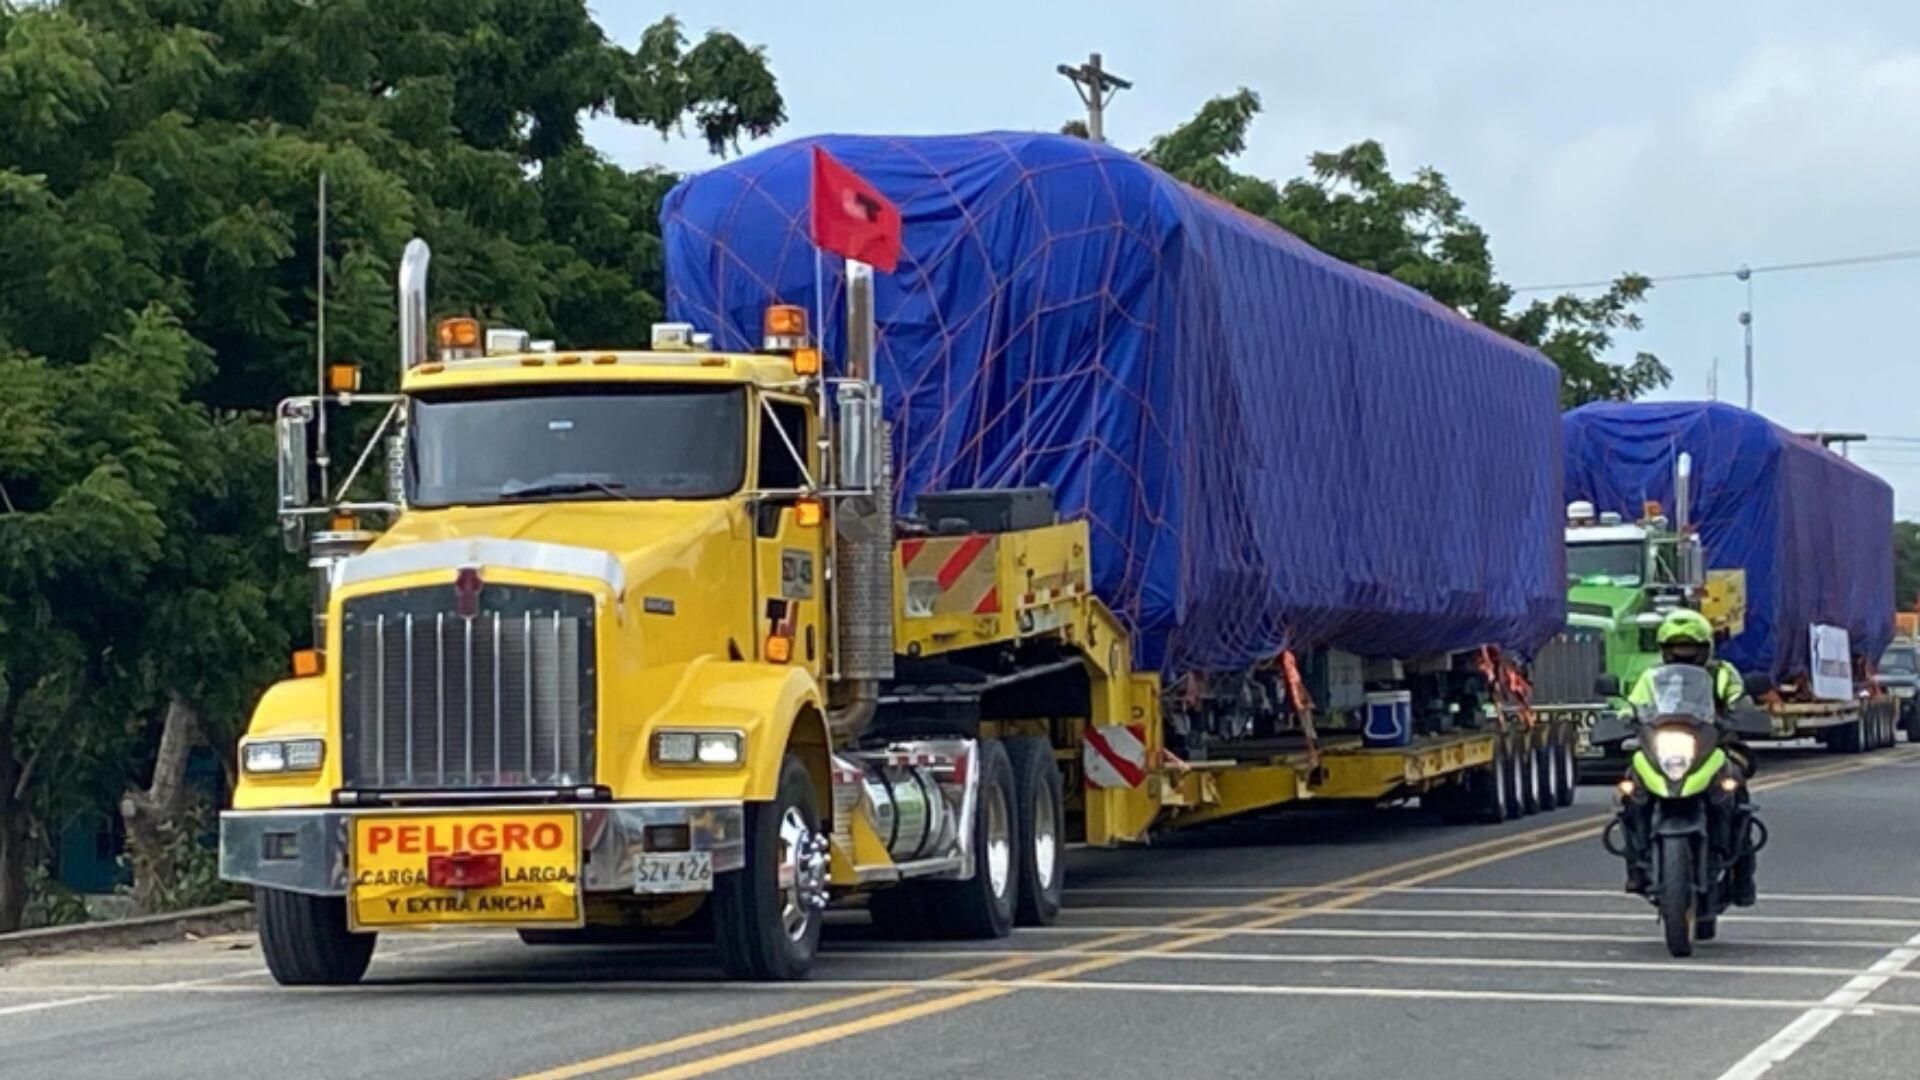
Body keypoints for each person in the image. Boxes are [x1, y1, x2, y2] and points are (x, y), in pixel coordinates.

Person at [1619, 608, 1759, 905]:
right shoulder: (1650, 677)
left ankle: (1743, 874)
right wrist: (1622, 717)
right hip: (1663, 744)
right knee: (1631, 788)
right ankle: (1635, 865)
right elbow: (1634, 706)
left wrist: (1743, 713)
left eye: (1690, 650)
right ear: (1665, 651)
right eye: (1676, 649)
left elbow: (1739, 699)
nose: (1683, 655)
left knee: (1737, 786)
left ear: (1705, 649)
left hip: (1713, 742)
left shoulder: (1723, 673)